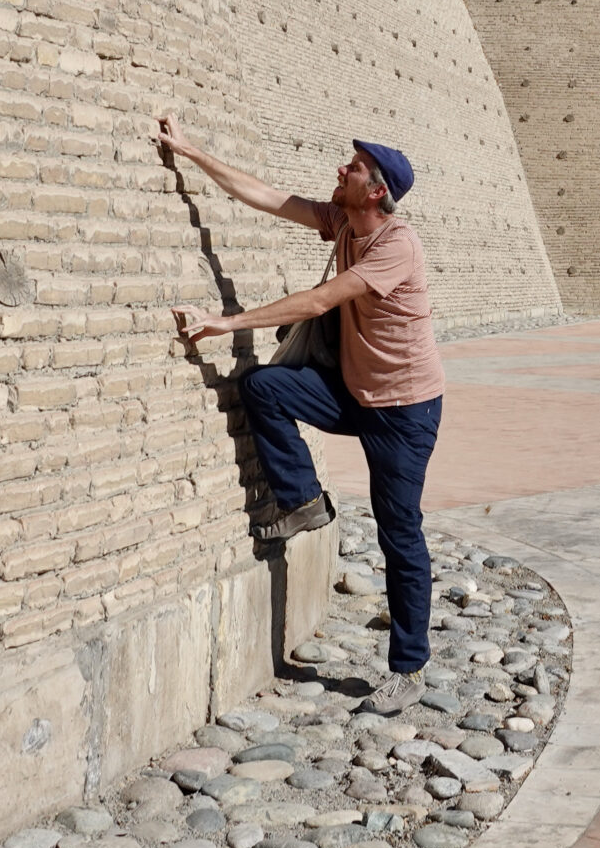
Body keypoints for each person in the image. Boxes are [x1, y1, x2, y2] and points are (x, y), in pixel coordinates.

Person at [158, 117, 444, 714]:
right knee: (266, 387)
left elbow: (320, 301)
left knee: (400, 534)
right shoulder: (342, 221)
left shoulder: (397, 245)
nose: (342, 169)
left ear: (375, 191)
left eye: (355, 167)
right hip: (354, 392)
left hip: (403, 412)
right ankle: (303, 502)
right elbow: (265, 196)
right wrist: (192, 150)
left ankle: (408, 668)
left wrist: (228, 322)